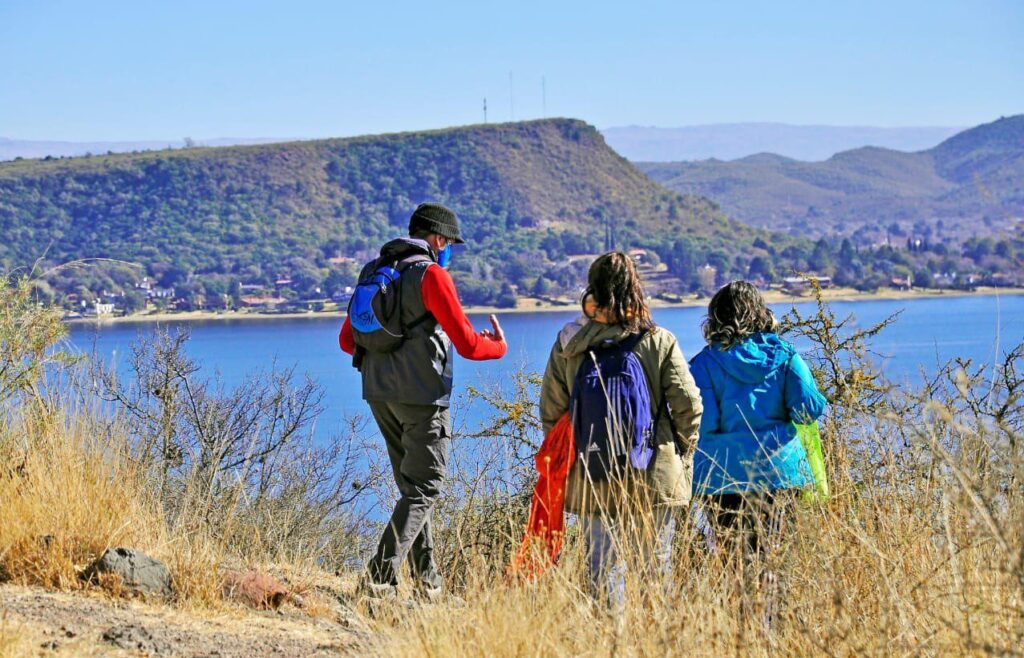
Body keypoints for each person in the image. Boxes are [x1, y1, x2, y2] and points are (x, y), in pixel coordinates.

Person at [338, 202, 507, 601]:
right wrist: (498, 346)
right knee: (425, 487)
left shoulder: (374, 271)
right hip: (423, 398)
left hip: (379, 394)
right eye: (449, 243)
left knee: (411, 489)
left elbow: (348, 340)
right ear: (439, 239)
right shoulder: (432, 275)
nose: (448, 250)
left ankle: (428, 583)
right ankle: (377, 579)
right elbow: (467, 343)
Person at [539, 252, 702, 608]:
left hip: (592, 477)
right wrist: (683, 452)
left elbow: (551, 412)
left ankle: (608, 643)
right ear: (636, 288)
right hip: (653, 475)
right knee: (655, 571)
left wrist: (579, 453)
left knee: (600, 572)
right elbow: (688, 405)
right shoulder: (659, 340)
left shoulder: (569, 343)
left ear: (591, 288)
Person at [688, 280, 827, 621]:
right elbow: (809, 409)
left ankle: (745, 632)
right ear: (762, 314)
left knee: (737, 563)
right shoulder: (785, 355)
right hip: (782, 474)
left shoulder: (703, 364)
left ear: (715, 319)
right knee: (777, 561)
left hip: (724, 479)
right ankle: (777, 631)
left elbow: (703, 424)